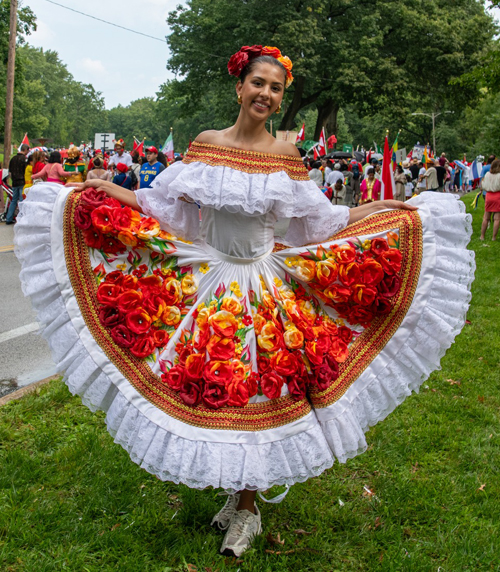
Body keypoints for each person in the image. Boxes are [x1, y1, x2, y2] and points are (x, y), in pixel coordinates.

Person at [15, 45, 474, 559]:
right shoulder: (206, 144)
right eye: (259, 83)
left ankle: (248, 508)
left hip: (260, 288)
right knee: (215, 388)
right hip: (207, 278)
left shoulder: (285, 156)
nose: (266, 94)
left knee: (256, 395)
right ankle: (237, 495)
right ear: (240, 86)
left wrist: (384, 208)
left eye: (276, 88)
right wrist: (97, 188)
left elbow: (320, 224)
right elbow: (161, 207)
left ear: (279, 100)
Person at [5, 143, 29, 225]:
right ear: (25, 150)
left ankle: (9, 218)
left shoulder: (13, 159)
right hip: (22, 181)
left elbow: (10, 172)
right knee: (22, 200)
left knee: (14, 200)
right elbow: (26, 171)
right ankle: (21, 218)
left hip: (15, 182)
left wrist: (12, 180)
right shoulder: (24, 159)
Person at [480, 158, 500, 241]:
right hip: (498, 196)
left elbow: (483, 185)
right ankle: (494, 237)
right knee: (497, 218)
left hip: (488, 196)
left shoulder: (487, 174)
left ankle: (482, 236)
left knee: (486, 218)